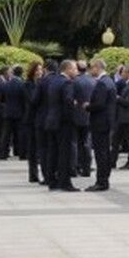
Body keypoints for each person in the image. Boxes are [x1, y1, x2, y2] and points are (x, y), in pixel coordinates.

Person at [45, 60, 80, 191]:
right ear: (67, 69)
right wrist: (74, 108)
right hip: (63, 122)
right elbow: (68, 102)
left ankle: (51, 180)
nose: (76, 72)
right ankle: (65, 182)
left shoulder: (54, 81)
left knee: (53, 152)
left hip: (52, 121)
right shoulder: (67, 83)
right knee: (65, 152)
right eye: (75, 69)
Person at [85, 59, 116, 191]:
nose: (91, 70)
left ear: (98, 67)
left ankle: (101, 181)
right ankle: (104, 179)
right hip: (107, 122)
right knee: (105, 152)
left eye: (92, 67)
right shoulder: (109, 81)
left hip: (100, 122)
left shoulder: (102, 83)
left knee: (100, 153)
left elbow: (100, 104)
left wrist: (88, 106)